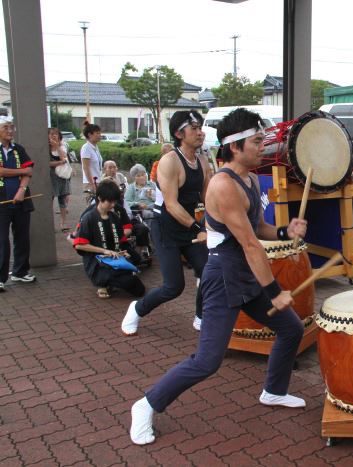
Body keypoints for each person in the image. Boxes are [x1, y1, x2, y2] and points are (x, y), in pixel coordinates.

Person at [128, 107, 308, 446]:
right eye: (257, 141)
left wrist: (285, 231)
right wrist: (275, 291)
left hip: (243, 273)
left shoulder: (251, 178)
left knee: (291, 328)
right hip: (223, 276)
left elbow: (257, 228)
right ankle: (147, 404)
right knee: (207, 361)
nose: (263, 147)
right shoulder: (224, 186)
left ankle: (274, 390)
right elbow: (251, 244)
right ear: (236, 147)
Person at [121, 110, 211, 335]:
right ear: (179, 133)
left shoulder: (202, 161)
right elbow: (171, 204)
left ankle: (201, 316)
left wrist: (214, 224)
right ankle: (137, 309)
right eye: (194, 128)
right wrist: (199, 228)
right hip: (166, 228)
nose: (200, 133)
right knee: (174, 287)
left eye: (201, 128)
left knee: (210, 272)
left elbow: (209, 198)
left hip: (191, 227)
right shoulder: (169, 161)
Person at [73, 180, 146, 299]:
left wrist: (122, 252)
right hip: (96, 261)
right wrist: (104, 251)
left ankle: (112, 281)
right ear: (100, 198)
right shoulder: (89, 218)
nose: (113, 205)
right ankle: (102, 284)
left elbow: (121, 241)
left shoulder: (114, 217)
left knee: (138, 288)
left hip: (113, 258)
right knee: (111, 277)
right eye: (110, 201)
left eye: (115, 201)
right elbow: (79, 245)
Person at [0, 116, 36, 292]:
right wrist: (21, 171)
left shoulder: (18, 149)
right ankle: (0, 277)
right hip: (2, 202)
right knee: (2, 240)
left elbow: (29, 171)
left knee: (22, 237)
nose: (10, 131)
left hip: (21, 200)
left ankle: (20, 271)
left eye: (11, 127)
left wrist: (22, 189)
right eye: (6, 127)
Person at [48, 128, 72, 231]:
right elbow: (47, 163)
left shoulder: (62, 146)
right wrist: (60, 162)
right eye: (51, 134)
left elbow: (65, 158)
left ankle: (63, 222)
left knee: (62, 199)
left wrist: (57, 146)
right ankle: (49, 224)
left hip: (62, 176)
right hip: (51, 176)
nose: (54, 136)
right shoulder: (46, 148)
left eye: (56, 134)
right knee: (50, 199)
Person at [80, 123, 103, 202]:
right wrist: (92, 184)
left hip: (98, 181)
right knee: (92, 207)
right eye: (97, 133)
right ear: (90, 134)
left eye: (100, 133)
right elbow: (86, 167)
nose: (100, 135)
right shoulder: (86, 148)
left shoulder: (95, 147)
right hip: (91, 183)